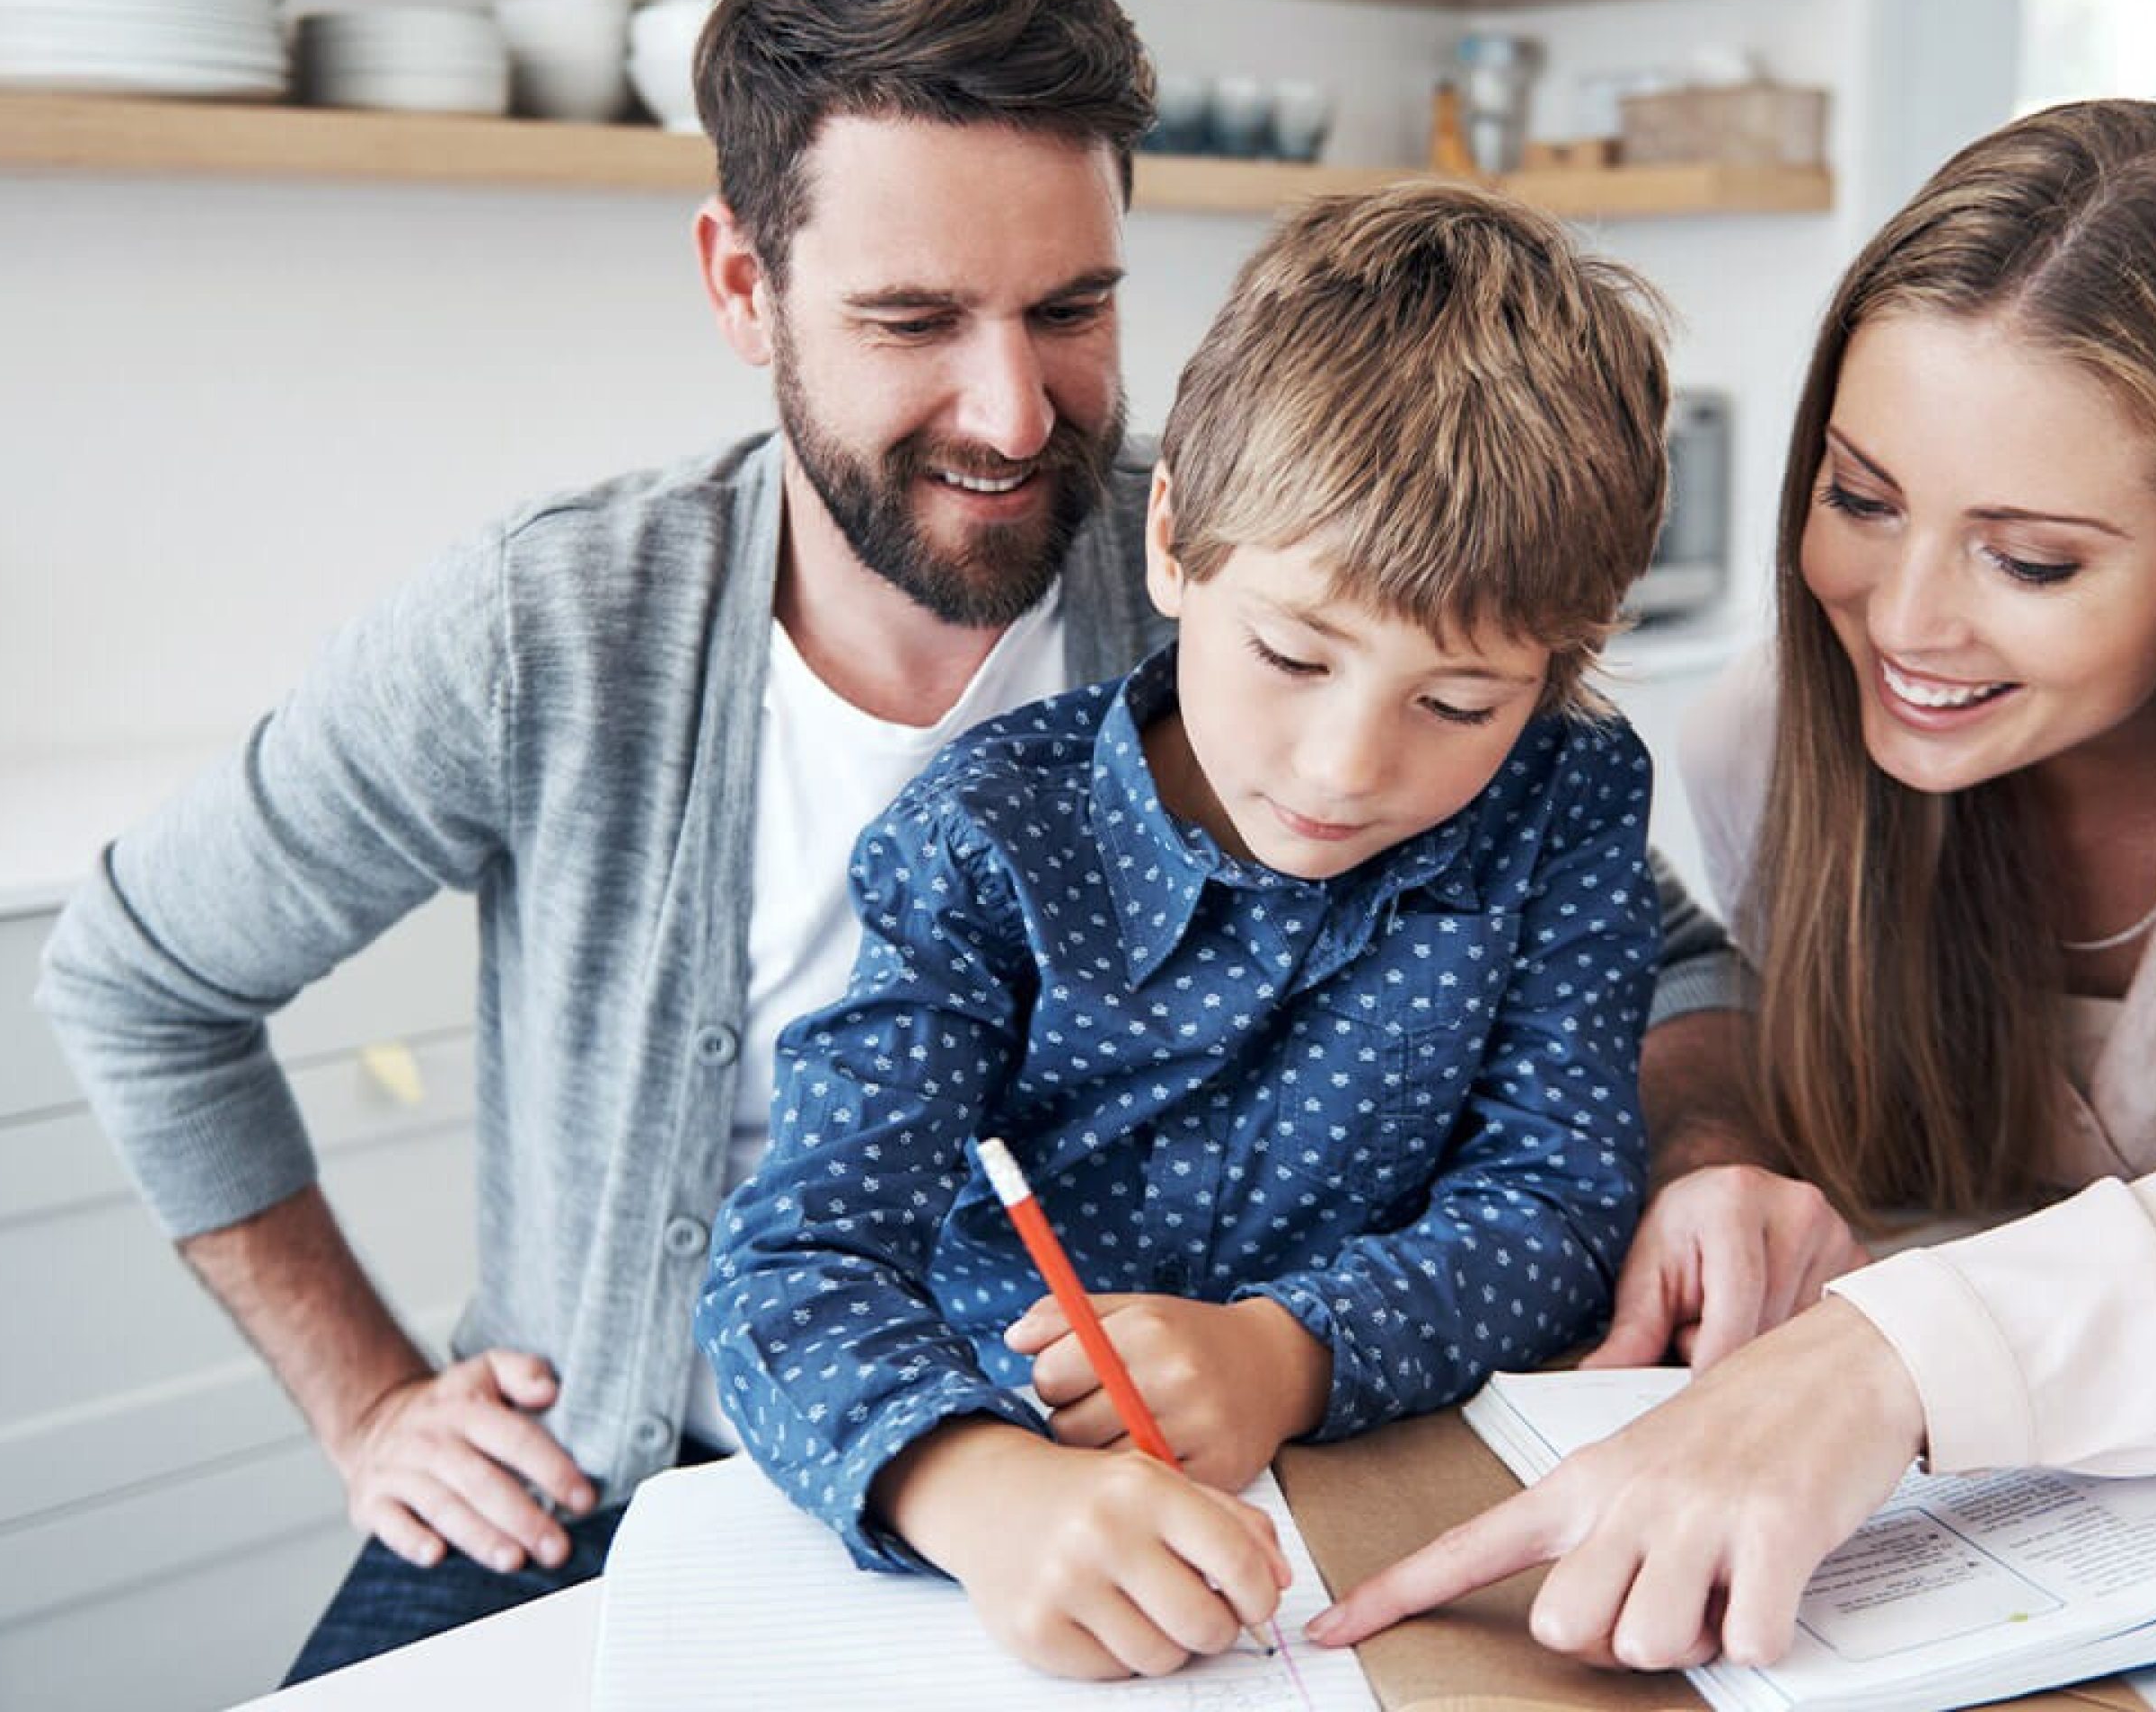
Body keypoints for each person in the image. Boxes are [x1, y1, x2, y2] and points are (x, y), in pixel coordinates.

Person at [39, 0, 1742, 1681]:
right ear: (739, 285)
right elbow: (135, 987)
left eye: (1072, 306)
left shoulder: (1278, 549)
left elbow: (1651, 954)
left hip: (1182, 1460)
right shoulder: (542, 628)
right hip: (614, 1476)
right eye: (914, 318)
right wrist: (372, 1399)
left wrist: (1710, 1156)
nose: (1016, 416)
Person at [1312, 98, 2156, 1674]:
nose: (1903, 620)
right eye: (1860, 497)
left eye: (2029, 561)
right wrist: (1724, 1161)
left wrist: (1883, 1367)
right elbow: (1736, 1053)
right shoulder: (1775, 739)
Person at [697, 181, 1677, 1681]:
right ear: (1173, 544)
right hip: (1022, 1554)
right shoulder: (984, 843)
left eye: (1459, 703)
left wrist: (1292, 1352)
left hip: (1384, 1507)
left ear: (1558, 672)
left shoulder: (1568, 796)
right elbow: (791, 1264)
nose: (1349, 764)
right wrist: (972, 1486)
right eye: (1292, 654)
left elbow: (1555, 1202)